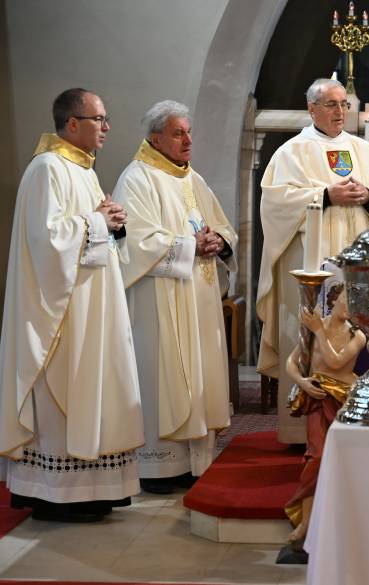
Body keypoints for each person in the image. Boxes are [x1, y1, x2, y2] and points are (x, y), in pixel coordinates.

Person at [0, 88, 144, 522]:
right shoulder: (47, 168)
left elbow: (89, 234)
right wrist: (98, 221)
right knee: (63, 398)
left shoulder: (83, 169)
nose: (107, 127)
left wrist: (112, 224)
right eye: (99, 119)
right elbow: (47, 240)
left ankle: (93, 492)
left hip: (91, 306)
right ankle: (55, 495)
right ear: (73, 123)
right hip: (62, 314)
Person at [112, 100, 238, 493]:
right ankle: (160, 467)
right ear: (155, 137)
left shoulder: (192, 178)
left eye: (188, 132)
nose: (187, 140)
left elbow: (222, 227)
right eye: (178, 133)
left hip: (199, 299)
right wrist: (189, 246)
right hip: (160, 300)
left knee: (199, 374)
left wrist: (219, 242)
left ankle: (194, 462)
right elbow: (135, 243)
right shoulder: (137, 179)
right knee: (164, 374)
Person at [256, 78, 369, 443]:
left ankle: (358, 425)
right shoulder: (291, 153)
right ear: (311, 109)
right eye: (330, 104)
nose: (340, 111)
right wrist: (324, 195)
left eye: (343, 104)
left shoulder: (366, 151)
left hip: (358, 266)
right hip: (313, 267)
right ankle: (304, 432)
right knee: (309, 334)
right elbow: (274, 204)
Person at [283, 279, 365, 551]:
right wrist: (302, 382)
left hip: (344, 402)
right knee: (315, 457)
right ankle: (306, 522)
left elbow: (336, 362)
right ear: (334, 299)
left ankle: (339, 520)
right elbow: (292, 362)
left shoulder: (357, 336)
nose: (351, 306)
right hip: (318, 398)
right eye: (347, 299)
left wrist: (318, 330)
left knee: (343, 460)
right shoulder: (315, 326)